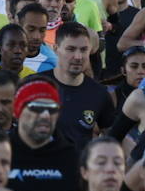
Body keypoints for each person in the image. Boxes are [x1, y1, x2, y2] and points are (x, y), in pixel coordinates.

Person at [6, 78, 80, 191]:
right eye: (36, 107)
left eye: (52, 108)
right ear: (17, 110)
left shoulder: (71, 155)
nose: (46, 115)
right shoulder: (0, 151)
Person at [49, 21, 115, 154]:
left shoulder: (99, 93)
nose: (78, 57)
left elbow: (112, 138)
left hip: (80, 172)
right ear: (56, 49)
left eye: (84, 50)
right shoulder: (35, 86)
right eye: (71, 49)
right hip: (42, 171)